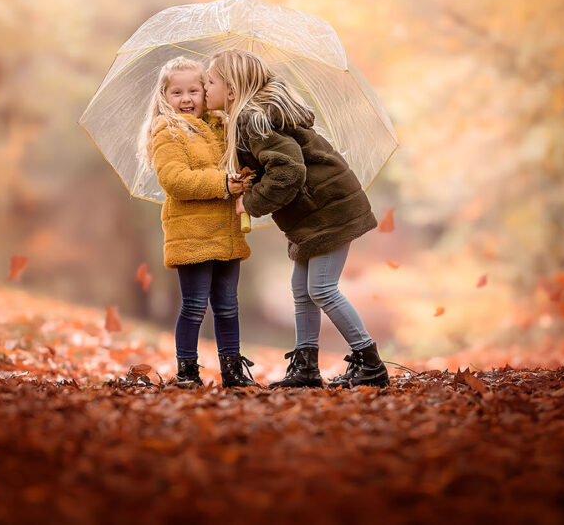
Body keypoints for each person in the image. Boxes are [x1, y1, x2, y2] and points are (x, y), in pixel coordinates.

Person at [205, 48, 389, 389]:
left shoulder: (251, 119)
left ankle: (371, 364)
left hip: (328, 210)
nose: (204, 87)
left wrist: (252, 201)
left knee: (321, 289)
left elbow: (289, 170)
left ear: (231, 90)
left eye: (210, 81)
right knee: (302, 290)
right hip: (316, 212)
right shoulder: (251, 118)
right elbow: (281, 163)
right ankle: (306, 368)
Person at [139, 56, 256, 388]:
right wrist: (222, 183)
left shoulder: (224, 127)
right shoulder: (168, 131)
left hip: (227, 231)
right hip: (191, 232)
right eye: (177, 92)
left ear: (207, 92)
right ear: (165, 97)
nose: (186, 99)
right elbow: (176, 180)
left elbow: (236, 165)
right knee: (193, 306)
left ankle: (232, 370)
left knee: (228, 306)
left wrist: (242, 178)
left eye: (194, 90)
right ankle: (187, 371)